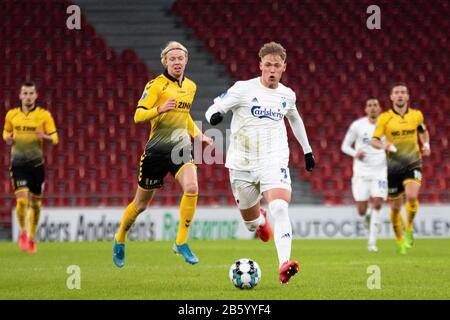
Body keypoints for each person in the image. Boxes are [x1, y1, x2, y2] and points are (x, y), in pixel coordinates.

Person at [205, 42, 315, 284]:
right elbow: (215, 107)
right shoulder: (243, 89)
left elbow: (295, 120)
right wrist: (214, 115)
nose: (272, 69)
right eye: (268, 65)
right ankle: (260, 220)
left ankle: (284, 263)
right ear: (260, 65)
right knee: (251, 224)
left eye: (277, 65)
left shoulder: (287, 95)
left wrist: (307, 150)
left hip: (273, 159)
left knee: (280, 207)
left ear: (284, 67)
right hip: (241, 163)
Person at [113, 41, 212, 267]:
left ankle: (181, 242)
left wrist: (199, 135)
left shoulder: (191, 87)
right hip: (156, 152)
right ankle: (120, 238)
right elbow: (138, 116)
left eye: (180, 58)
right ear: (165, 62)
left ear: (186, 60)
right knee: (140, 205)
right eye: (172, 59)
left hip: (180, 149)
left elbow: (184, 115)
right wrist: (159, 109)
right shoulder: (155, 86)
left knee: (192, 187)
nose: (177, 62)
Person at [371, 83, 431, 254]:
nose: (399, 95)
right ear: (391, 97)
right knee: (396, 207)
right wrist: (384, 145)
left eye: (403, 92)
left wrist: (426, 143)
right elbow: (374, 140)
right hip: (393, 167)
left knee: (412, 196)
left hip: (413, 162)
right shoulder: (385, 118)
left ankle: (409, 228)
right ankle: (399, 241)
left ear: (407, 96)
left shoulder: (416, 115)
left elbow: (423, 131)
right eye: (396, 92)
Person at [2, 81, 59, 253]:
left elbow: (55, 138)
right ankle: (23, 234)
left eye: (30, 93)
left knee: (35, 205)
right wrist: (7, 138)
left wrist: (45, 136)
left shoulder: (44, 115)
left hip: (36, 165)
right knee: (21, 199)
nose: (27, 96)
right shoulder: (11, 115)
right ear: (20, 96)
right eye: (25, 93)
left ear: (36, 95)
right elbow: (5, 132)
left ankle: (32, 238)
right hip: (18, 164)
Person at [341, 98, 387, 252]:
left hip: (380, 171)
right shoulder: (357, 125)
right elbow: (344, 146)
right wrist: (355, 153)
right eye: (370, 106)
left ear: (380, 109)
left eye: (375, 105)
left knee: (378, 203)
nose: (373, 108)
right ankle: (368, 216)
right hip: (361, 172)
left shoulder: (386, 125)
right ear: (366, 109)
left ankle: (372, 243)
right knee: (361, 210)